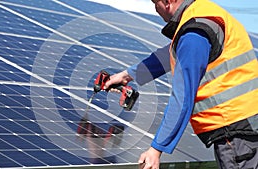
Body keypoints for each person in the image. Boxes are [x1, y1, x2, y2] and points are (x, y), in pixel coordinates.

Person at [104, 0, 258, 168]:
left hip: (235, 131)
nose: (155, 9)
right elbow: (169, 55)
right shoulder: (203, 13)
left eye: (155, 3)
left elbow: (182, 99)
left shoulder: (194, 33)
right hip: (247, 122)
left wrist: (156, 149)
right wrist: (127, 76)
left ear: (168, 2)